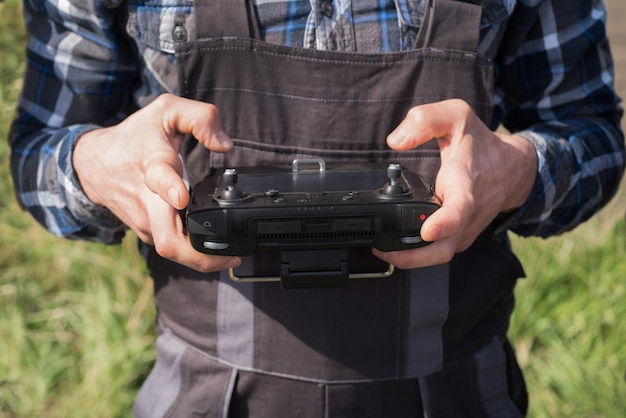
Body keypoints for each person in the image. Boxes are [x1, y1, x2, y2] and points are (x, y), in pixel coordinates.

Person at [9, 0, 625, 416]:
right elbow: (41, 151)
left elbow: (589, 132)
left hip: (458, 392)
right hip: (203, 395)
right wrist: (93, 164)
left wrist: (519, 171)